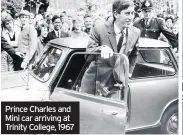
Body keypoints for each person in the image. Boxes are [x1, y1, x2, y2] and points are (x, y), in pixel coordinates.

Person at [81, 0, 140, 98]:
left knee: (113, 112)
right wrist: (101, 48)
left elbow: (134, 54)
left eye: (132, 13)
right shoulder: (99, 29)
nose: (131, 17)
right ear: (116, 14)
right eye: (127, 13)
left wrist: (128, 74)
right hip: (94, 84)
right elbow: (87, 55)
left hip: (116, 85)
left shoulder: (135, 32)